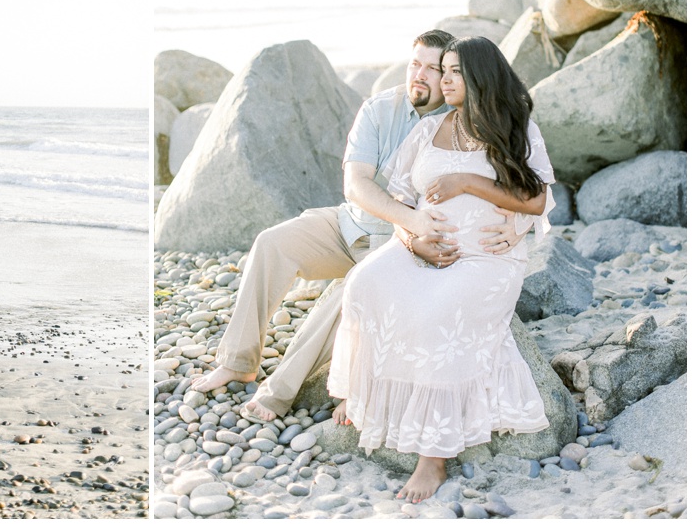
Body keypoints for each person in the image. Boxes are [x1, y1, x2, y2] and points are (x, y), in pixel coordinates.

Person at [190, 29, 530, 423]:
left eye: (433, 69)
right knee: (272, 243)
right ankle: (237, 360)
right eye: (414, 64)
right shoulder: (380, 108)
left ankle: (278, 393)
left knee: (348, 293)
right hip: (350, 224)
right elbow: (355, 184)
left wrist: (520, 225)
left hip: (403, 246)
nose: (420, 75)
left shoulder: (464, 120)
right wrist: (410, 219)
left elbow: (519, 180)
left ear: (457, 76)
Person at [326, 36, 555, 503]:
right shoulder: (428, 130)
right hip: (419, 246)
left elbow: (536, 198)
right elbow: (402, 202)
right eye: (441, 70)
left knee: (436, 315)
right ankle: (365, 392)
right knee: (363, 284)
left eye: (453, 72)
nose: (442, 80)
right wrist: (412, 238)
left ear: (479, 78)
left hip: (486, 256)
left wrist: (470, 183)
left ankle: (433, 458)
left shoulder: (515, 127)